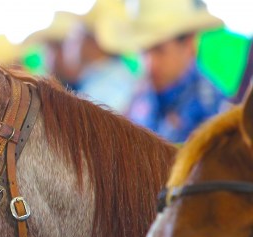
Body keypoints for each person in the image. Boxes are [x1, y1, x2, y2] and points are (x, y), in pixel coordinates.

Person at [125, 0, 226, 143]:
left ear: (189, 45)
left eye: (159, 50)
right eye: (144, 51)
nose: (149, 63)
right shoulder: (141, 91)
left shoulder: (210, 108)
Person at [60, 0, 138, 113]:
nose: (70, 43)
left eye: (76, 35)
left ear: (93, 42)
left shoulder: (111, 84)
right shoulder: (102, 79)